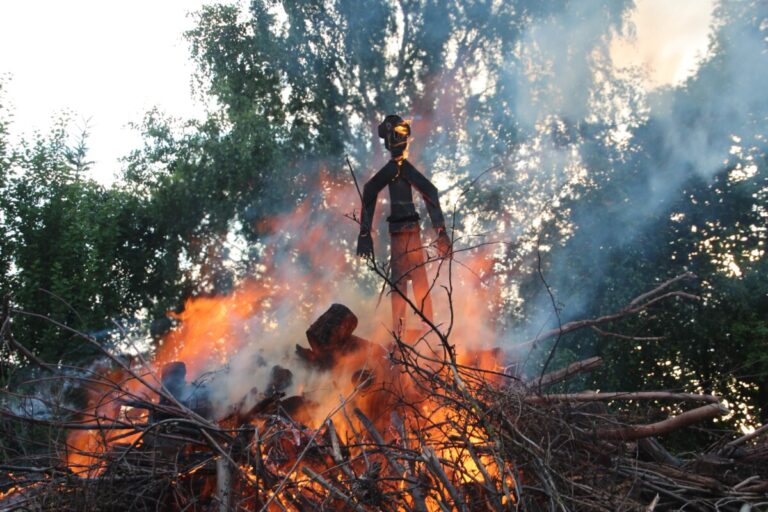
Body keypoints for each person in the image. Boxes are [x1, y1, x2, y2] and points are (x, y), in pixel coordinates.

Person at [357, 114, 451, 331]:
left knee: (414, 280)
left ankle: (425, 329)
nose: (401, 141)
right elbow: (370, 191)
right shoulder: (396, 169)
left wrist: (441, 232)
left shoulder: (402, 168)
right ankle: (403, 333)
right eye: (397, 136)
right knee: (405, 282)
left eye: (402, 136)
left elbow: (430, 192)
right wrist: (364, 234)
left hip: (407, 232)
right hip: (401, 233)